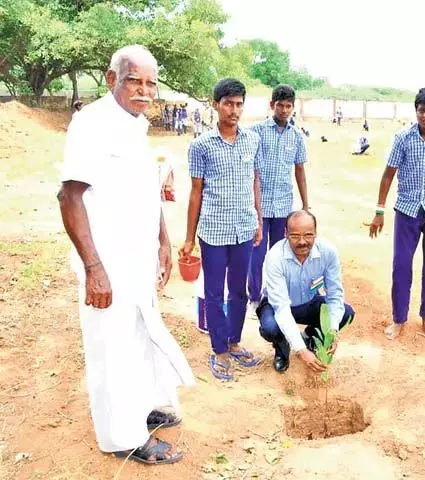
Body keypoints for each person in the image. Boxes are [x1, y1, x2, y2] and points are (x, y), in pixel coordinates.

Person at [57, 45, 194, 465]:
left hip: (138, 259)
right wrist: (94, 268)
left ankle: (142, 409)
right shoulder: (91, 124)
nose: (145, 91)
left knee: (139, 335)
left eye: (151, 83)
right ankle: (122, 436)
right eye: (136, 80)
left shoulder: (135, 126)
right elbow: (70, 196)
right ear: (112, 78)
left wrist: (163, 242)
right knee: (111, 345)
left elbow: (144, 191)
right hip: (108, 262)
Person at [180, 78, 263, 382]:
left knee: (239, 291)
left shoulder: (252, 141)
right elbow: (195, 192)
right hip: (213, 231)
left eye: (239, 104)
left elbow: (255, 182)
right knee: (214, 292)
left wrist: (259, 220)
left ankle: (234, 341)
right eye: (228, 103)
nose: (234, 110)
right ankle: (220, 351)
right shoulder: (201, 146)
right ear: (215, 105)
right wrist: (189, 238)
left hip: (244, 227)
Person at [369, 87, 425, 341]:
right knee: (401, 265)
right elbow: (388, 174)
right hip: (407, 211)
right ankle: (399, 319)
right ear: (416, 111)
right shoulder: (403, 137)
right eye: (422, 110)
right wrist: (379, 210)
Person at [257, 210, 355, 373]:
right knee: (270, 327)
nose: (302, 242)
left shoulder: (328, 252)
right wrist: (301, 351)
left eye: (308, 235)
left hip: (309, 302)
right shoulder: (275, 256)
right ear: (286, 234)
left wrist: (332, 331)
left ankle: (310, 337)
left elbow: (335, 295)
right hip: (277, 306)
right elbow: (281, 308)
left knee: (345, 313)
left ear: (316, 233)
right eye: (295, 236)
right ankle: (282, 349)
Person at [247, 85, 309, 313]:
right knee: (256, 255)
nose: (284, 110)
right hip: (258, 207)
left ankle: (274, 298)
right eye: (280, 105)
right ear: (271, 105)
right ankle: (254, 297)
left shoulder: (297, 136)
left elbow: (300, 171)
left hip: (284, 206)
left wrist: (306, 205)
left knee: (280, 256)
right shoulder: (256, 132)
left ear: (294, 107)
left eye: (288, 106)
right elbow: (249, 171)